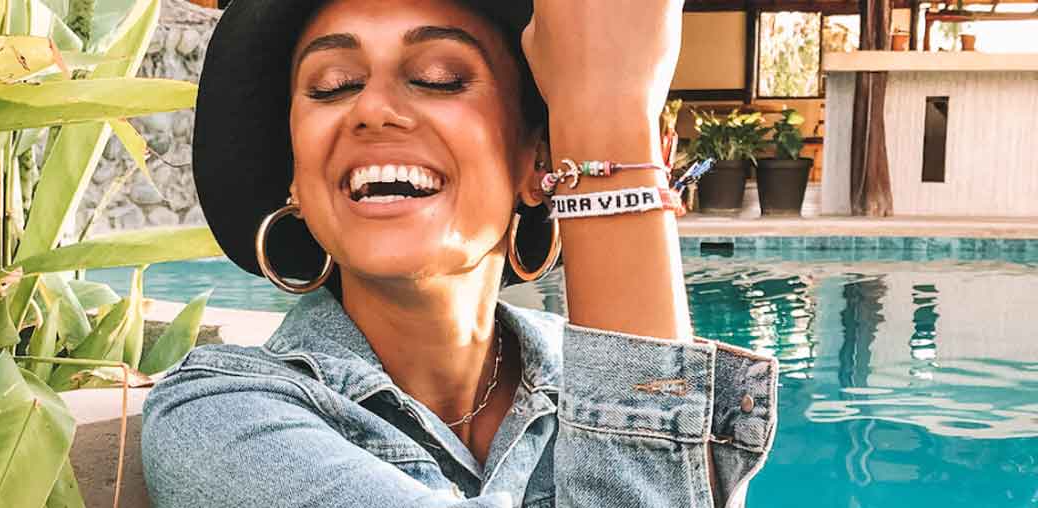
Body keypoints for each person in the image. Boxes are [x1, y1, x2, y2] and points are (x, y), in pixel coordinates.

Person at [142, 1, 778, 506]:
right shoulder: (218, 417)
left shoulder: (588, 370)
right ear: (295, 182)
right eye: (333, 86)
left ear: (539, 162)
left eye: (437, 78)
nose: (372, 109)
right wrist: (607, 115)